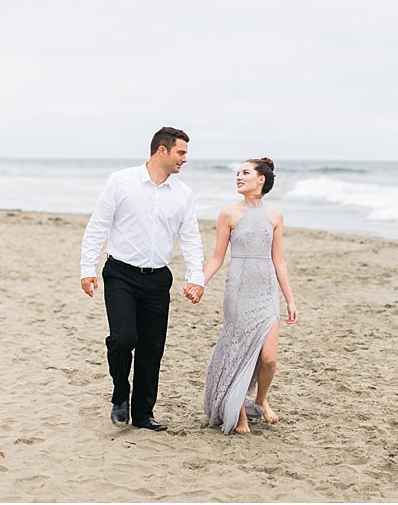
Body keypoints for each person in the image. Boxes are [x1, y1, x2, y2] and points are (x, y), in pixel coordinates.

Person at [80, 127, 206, 432]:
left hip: (158, 279)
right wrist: (87, 268)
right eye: (181, 152)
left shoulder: (183, 194)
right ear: (162, 151)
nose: (185, 159)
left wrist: (197, 277)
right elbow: (98, 225)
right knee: (123, 339)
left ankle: (143, 413)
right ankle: (120, 395)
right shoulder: (121, 181)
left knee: (152, 348)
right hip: (120, 273)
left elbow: (190, 238)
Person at [202, 157, 299, 435]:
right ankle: (240, 413)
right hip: (239, 290)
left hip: (267, 291)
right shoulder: (228, 214)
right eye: (237, 173)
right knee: (239, 353)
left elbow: (278, 260)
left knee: (269, 358)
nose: (239, 177)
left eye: (245, 173)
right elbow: (217, 257)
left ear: (261, 180)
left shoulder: (275, 216)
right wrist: (200, 282)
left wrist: (290, 299)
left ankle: (260, 400)